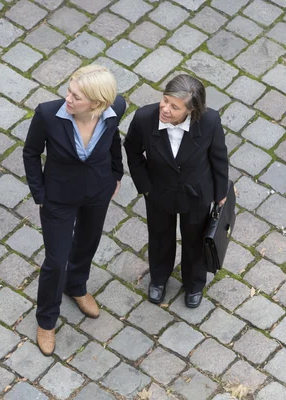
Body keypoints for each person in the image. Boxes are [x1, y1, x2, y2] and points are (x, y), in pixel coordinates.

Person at [23, 65, 125, 355]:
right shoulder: (47, 114)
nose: (68, 98)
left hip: (97, 191)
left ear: (97, 103)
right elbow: (31, 153)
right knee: (55, 261)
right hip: (58, 198)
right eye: (69, 90)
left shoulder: (116, 108)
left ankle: (76, 286)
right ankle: (46, 320)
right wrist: (39, 193)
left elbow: (114, 138)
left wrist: (116, 173)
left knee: (87, 243)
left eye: (76, 96)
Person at [124, 74, 229, 309]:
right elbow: (132, 150)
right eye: (165, 100)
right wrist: (146, 187)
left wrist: (220, 192)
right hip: (159, 191)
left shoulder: (210, 121)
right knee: (160, 236)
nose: (166, 109)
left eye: (174, 106)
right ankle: (159, 278)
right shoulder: (144, 118)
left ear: (191, 110)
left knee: (195, 239)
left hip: (196, 193)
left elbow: (219, 157)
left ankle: (194, 283)